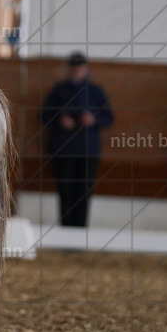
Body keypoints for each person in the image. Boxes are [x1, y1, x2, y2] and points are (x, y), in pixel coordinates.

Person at [40, 52, 115, 228]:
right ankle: (65, 229)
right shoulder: (59, 90)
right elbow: (43, 116)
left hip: (88, 150)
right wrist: (60, 120)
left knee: (84, 192)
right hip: (62, 149)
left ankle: (81, 231)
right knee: (65, 191)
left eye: (80, 68)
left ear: (86, 69)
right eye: (73, 68)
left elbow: (109, 118)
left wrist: (93, 119)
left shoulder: (95, 91)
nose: (76, 71)